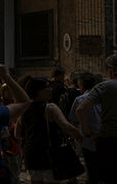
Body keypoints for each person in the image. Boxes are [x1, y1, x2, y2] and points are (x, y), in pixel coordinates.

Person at [18, 76, 83, 184]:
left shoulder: (24, 108)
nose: (51, 89)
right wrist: (79, 134)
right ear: (39, 90)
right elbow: (65, 126)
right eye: (47, 87)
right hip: (48, 154)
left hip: (31, 154)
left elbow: (18, 133)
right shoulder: (50, 108)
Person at [78, 54, 117, 184]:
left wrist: (89, 133)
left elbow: (81, 110)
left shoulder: (103, 87)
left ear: (111, 70)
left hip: (108, 140)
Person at [70, 72, 102, 184]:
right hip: (104, 136)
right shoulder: (103, 97)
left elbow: (74, 121)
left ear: (81, 84)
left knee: (92, 169)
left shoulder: (79, 99)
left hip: (87, 139)